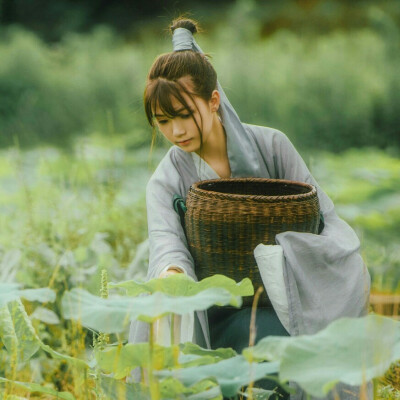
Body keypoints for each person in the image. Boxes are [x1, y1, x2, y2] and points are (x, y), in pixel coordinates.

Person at [129, 17, 371, 400]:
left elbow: (324, 218)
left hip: (291, 297)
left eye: (183, 114)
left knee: (302, 344)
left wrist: (291, 259)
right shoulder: (166, 179)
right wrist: (172, 270)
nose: (176, 132)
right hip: (217, 315)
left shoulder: (273, 146)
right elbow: (165, 242)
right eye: (163, 121)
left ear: (213, 100)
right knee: (261, 342)